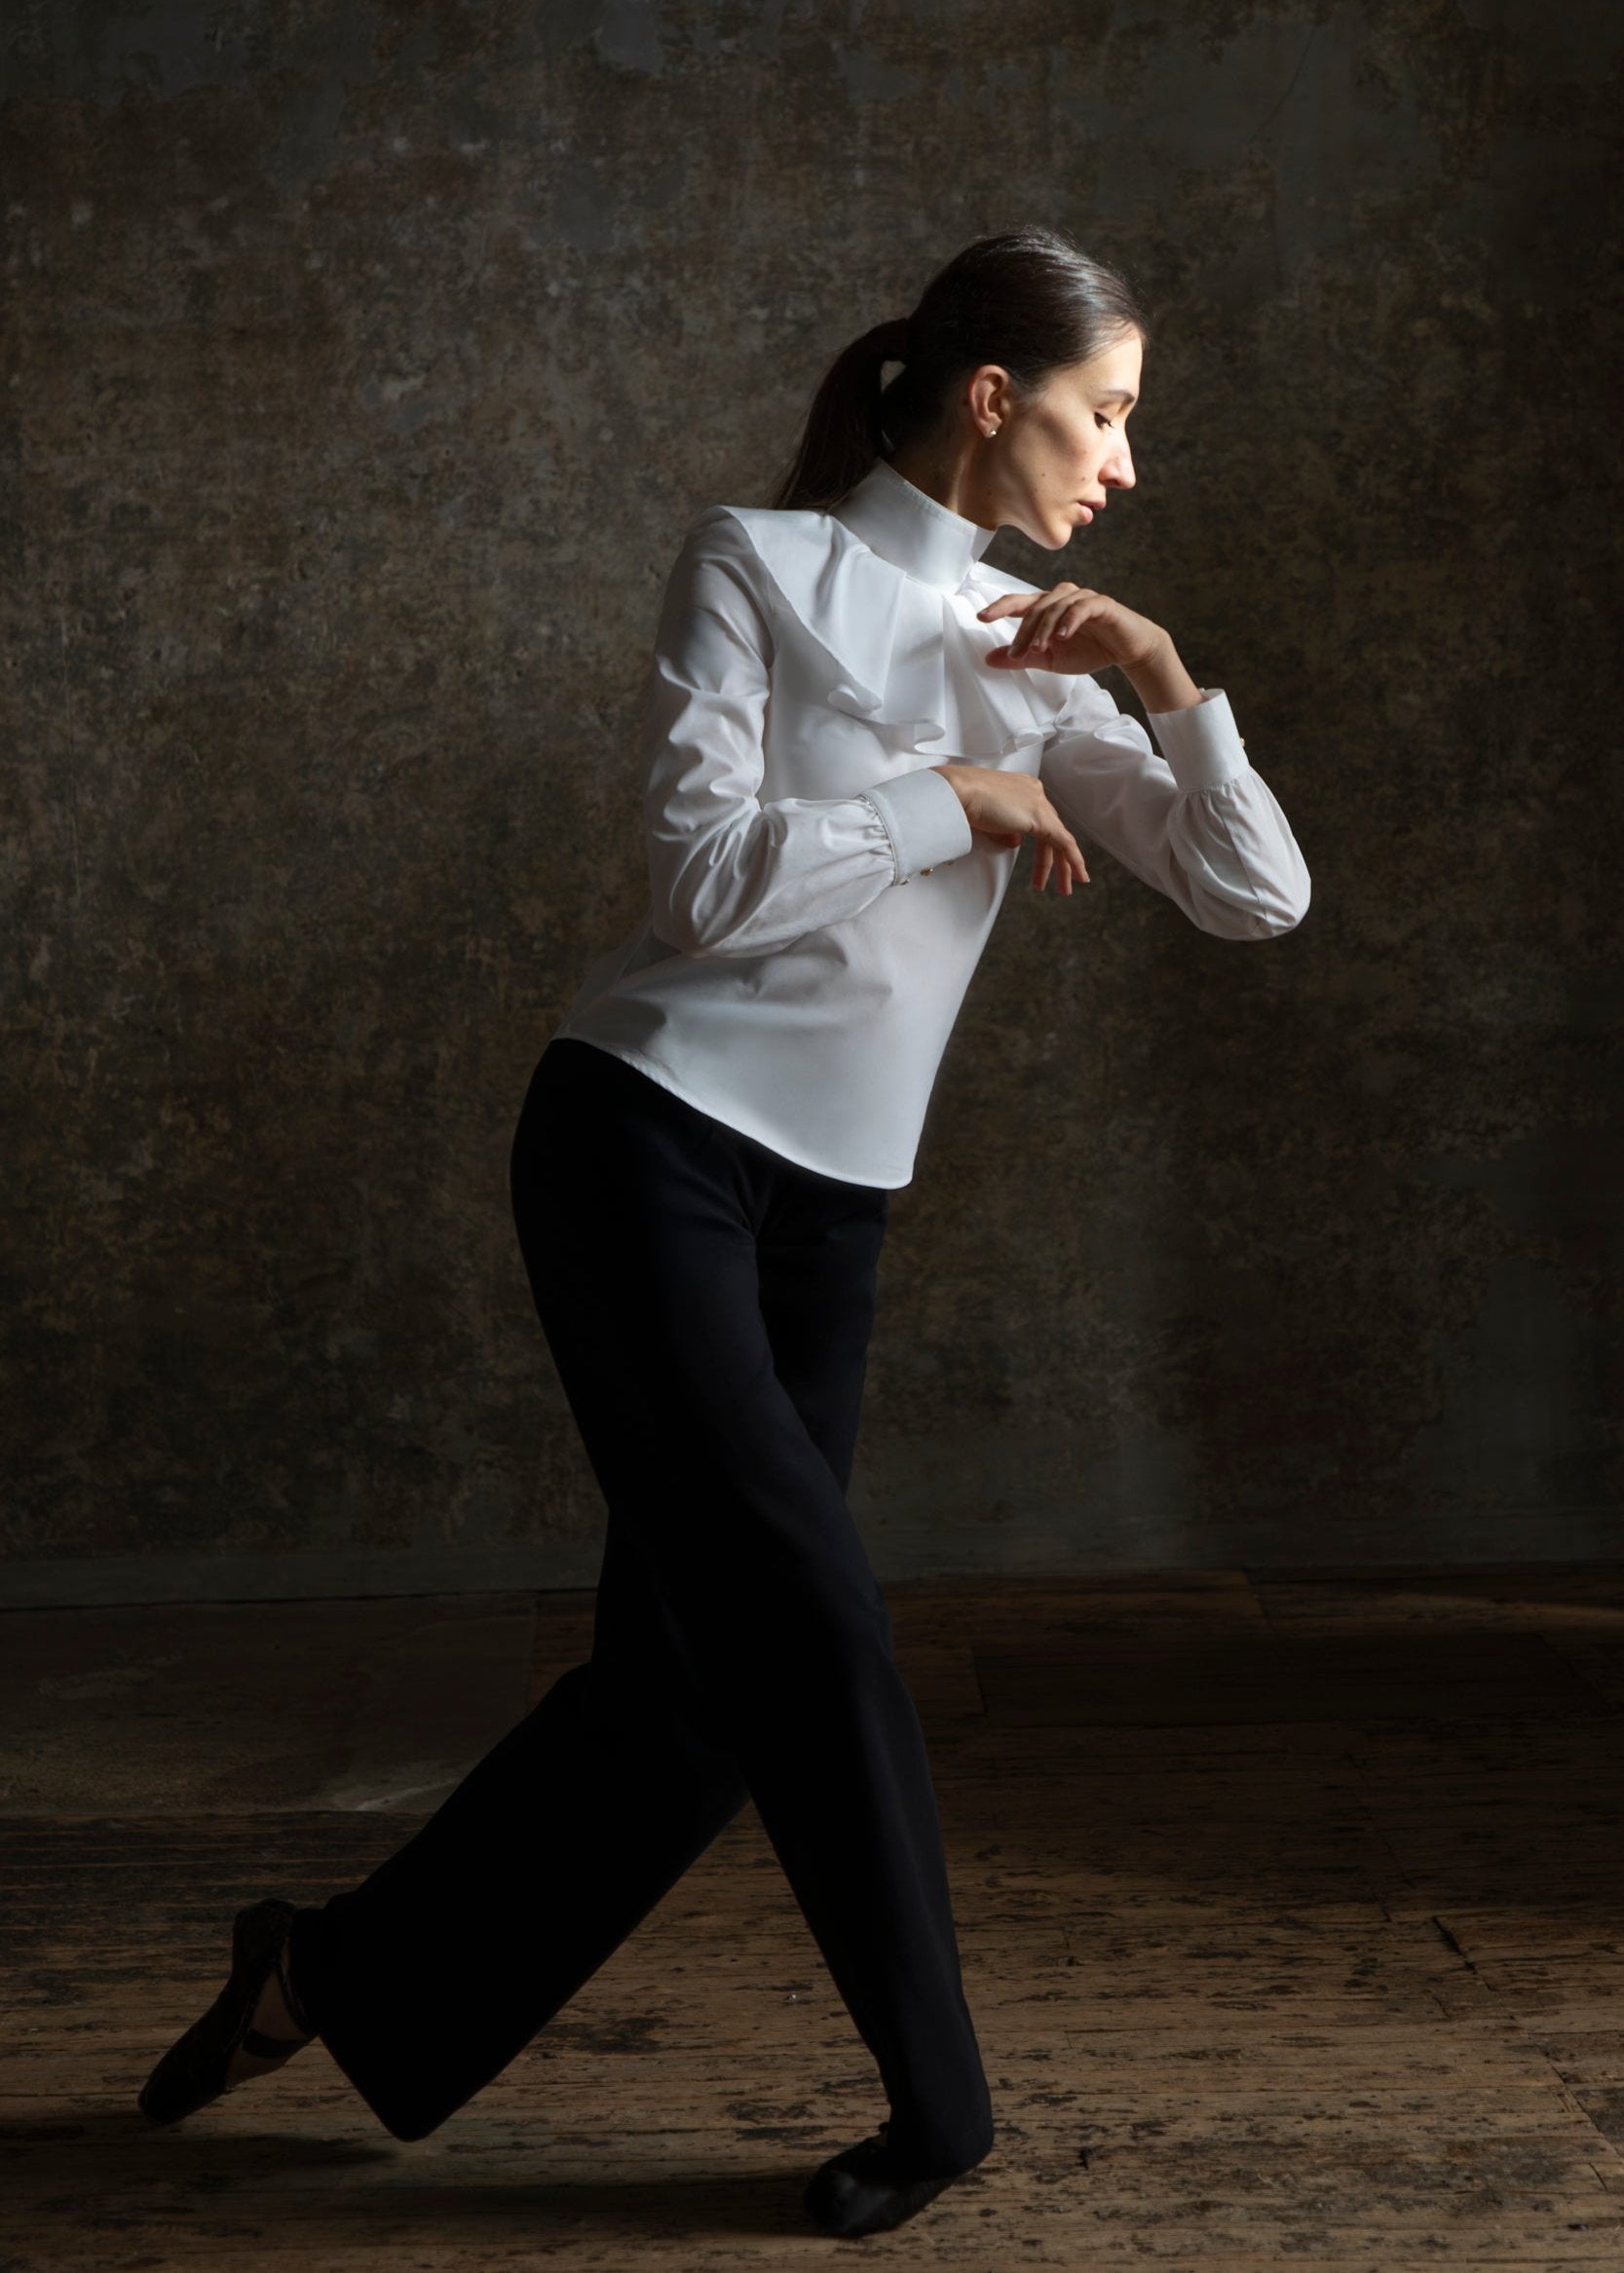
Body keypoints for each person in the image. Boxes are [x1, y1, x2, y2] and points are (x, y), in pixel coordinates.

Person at [136, 225, 1310, 2240]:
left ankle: (327, 1978)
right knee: (813, 1631)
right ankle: (943, 2110)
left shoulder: (1046, 648)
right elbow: (699, 886)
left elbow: (1254, 893)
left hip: (827, 1219)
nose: (1123, 466)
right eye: (1107, 416)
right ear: (990, 396)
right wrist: (958, 798)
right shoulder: (755, 564)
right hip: (645, 1148)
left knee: (687, 1702)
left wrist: (1160, 679)